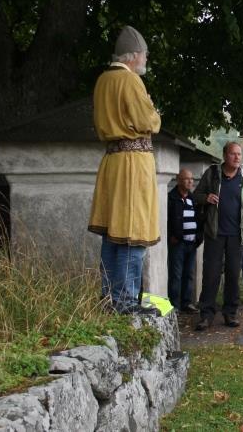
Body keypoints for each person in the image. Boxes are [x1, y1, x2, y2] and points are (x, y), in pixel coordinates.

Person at [88, 26, 161, 314]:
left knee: (113, 233)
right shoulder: (129, 81)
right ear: (133, 56)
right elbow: (148, 121)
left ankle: (108, 297)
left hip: (113, 161)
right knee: (134, 230)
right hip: (133, 163)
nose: (145, 59)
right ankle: (126, 300)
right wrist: (154, 113)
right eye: (144, 55)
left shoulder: (103, 81)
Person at [194, 142, 243, 330]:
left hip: (236, 235)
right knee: (211, 275)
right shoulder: (213, 174)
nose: (237, 157)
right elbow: (196, 195)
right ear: (225, 155)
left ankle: (230, 313)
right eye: (233, 154)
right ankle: (206, 315)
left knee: (232, 276)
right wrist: (206, 198)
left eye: (239, 154)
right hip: (214, 233)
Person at [167, 169, 202, 314]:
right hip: (178, 243)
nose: (190, 181)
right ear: (179, 180)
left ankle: (186, 303)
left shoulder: (193, 199)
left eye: (192, 179)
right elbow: (166, 219)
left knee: (189, 274)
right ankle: (175, 305)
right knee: (176, 274)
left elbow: (200, 219)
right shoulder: (171, 198)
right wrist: (171, 236)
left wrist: (198, 238)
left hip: (191, 243)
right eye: (187, 179)